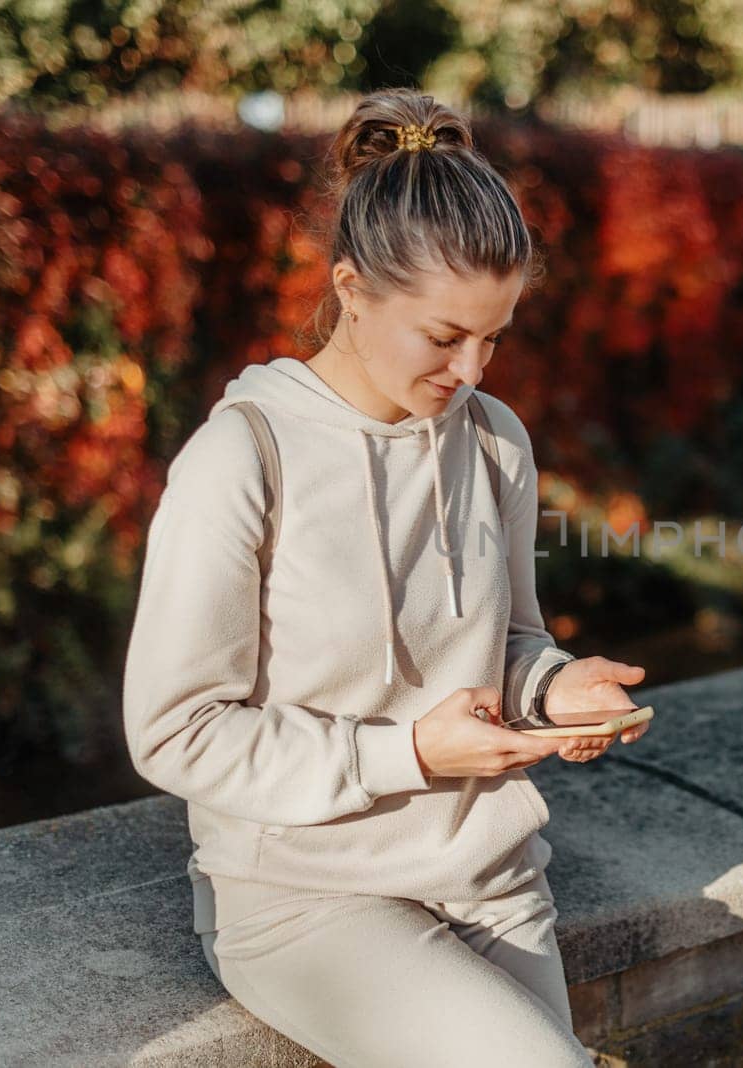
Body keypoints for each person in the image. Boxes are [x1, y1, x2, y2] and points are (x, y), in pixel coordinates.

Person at [120, 86, 650, 1067]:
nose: (474, 371)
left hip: (491, 873)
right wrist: (407, 755)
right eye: (445, 338)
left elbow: (511, 641)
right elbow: (175, 732)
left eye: (495, 336)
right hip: (310, 898)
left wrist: (554, 687)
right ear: (352, 289)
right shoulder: (245, 459)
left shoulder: (494, 442)